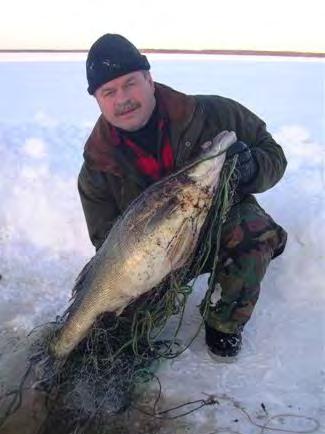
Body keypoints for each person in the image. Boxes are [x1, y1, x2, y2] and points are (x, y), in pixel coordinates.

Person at [78, 33, 287, 360]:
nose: (123, 99)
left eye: (130, 83)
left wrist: (252, 167)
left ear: (149, 78)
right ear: (98, 100)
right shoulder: (97, 165)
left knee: (254, 232)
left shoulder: (213, 113)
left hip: (216, 226)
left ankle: (224, 322)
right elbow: (105, 240)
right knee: (110, 331)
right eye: (109, 91)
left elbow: (273, 154)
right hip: (156, 254)